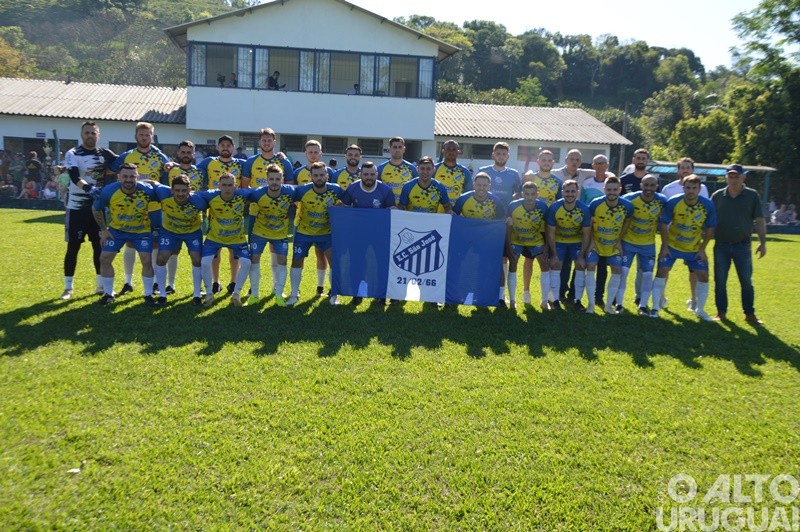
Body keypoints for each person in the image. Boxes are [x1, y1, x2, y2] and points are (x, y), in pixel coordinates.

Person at [109, 122, 170, 297]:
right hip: (131, 208)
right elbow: (112, 169)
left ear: (152, 136)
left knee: (156, 243)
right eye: (141, 134)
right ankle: (128, 282)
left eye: (148, 134)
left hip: (154, 208)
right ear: (136, 136)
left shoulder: (159, 156)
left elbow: (170, 169)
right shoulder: (127, 156)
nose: (144, 137)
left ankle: (157, 282)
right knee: (130, 242)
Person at [61, 121, 117, 300]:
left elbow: (123, 163)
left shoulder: (105, 154)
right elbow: (74, 176)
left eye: (93, 133)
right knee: (73, 247)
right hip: (76, 208)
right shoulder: (73, 153)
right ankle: (68, 288)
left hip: (97, 209)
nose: (90, 136)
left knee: (98, 246)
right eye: (87, 133)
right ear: (81, 134)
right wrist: (88, 189)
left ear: (98, 135)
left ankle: (100, 285)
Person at [650, 175, 716, 320]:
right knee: (661, 271)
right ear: (683, 188)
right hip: (672, 246)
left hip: (693, 248)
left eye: (694, 188)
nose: (691, 191)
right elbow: (663, 225)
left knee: (704, 276)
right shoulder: (674, 202)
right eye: (688, 188)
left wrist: (702, 249)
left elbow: (710, 228)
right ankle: (655, 308)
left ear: (699, 189)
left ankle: (700, 309)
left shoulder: (707, 205)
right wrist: (665, 247)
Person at [92, 163, 157, 306]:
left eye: (132, 176)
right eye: (125, 176)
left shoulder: (147, 190)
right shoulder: (109, 191)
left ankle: (148, 295)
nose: (128, 179)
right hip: (117, 230)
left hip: (141, 231)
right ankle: (109, 294)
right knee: (104, 258)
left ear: (137, 177)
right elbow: (96, 209)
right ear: (118, 177)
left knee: (146, 260)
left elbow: (164, 198)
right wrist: (103, 230)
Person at [711, 164, 767, 324]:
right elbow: (708, 219)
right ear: (726, 177)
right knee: (720, 280)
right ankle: (721, 312)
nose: (733, 179)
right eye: (730, 176)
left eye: (737, 176)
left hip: (742, 246)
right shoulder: (717, 196)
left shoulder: (752, 195)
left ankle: (750, 314)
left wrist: (762, 243)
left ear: (743, 177)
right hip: (721, 245)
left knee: (746, 281)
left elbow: (760, 220)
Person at [242, 128, 294, 295]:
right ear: (259, 142)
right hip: (256, 213)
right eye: (263, 140)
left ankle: (276, 287)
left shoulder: (284, 162)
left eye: (269, 140)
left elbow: (291, 188)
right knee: (255, 252)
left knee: (276, 251)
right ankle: (253, 288)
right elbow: (245, 187)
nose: (266, 143)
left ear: (274, 142)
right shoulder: (251, 161)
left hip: (278, 214)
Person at [287, 162, 346, 306]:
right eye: (316, 175)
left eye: (322, 175)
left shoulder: (336, 190)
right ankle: (294, 294)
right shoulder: (302, 191)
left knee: (334, 262)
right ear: (310, 176)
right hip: (303, 232)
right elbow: (288, 199)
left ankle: (334, 295)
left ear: (327, 175)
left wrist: (338, 206)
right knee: (296, 262)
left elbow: (347, 204)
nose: (319, 178)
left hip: (326, 233)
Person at [194, 173, 255, 307]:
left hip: (237, 239)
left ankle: (236, 294)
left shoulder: (242, 195)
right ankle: (209, 294)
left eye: (230, 185)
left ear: (235, 186)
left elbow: (260, 191)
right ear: (219, 186)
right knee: (204, 263)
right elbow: (192, 194)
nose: (227, 188)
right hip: (214, 238)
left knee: (246, 263)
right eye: (224, 185)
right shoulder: (210, 196)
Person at [341, 161, 395, 304]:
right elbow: (344, 210)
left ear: (377, 174)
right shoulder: (352, 188)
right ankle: (357, 293)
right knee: (357, 263)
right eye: (366, 174)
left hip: (380, 234)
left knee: (382, 264)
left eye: (372, 174)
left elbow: (391, 212)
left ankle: (381, 295)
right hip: (358, 234)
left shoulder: (385, 190)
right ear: (360, 174)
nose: (369, 177)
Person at [660, 157, 709, 311]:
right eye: (682, 167)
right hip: (671, 238)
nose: (685, 170)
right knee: (664, 268)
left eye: (688, 167)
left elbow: (703, 212)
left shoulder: (703, 189)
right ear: (678, 170)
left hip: (692, 239)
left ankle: (694, 300)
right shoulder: (668, 189)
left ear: (692, 170)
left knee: (694, 270)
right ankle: (660, 297)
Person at [453, 172, 509, 307]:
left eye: (485, 185)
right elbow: (454, 217)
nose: (481, 188)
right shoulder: (463, 199)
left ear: (489, 186)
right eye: (479, 185)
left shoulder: (496, 201)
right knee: (457, 265)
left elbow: (502, 222)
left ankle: (498, 297)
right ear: (474, 185)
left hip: (487, 240)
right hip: (466, 239)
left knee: (491, 267)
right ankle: (454, 296)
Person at [197, 135, 244, 295]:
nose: (225, 147)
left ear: (233, 148)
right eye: (222, 145)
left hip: (235, 210)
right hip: (214, 209)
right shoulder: (209, 161)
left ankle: (233, 281)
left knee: (234, 250)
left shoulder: (241, 163)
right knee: (215, 249)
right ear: (218, 147)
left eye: (228, 145)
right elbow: (189, 168)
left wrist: (281, 156)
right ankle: (216, 282)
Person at [150, 174, 205, 306]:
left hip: (192, 232)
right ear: (171, 190)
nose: (180, 194)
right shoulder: (163, 193)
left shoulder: (198, 200)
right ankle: (162, 294)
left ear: (189, 189)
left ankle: (197, 294)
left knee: (197, 259)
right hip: (170, 232)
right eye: (177, 190)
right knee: (161, 258)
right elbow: (152, 182)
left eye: (184, 190)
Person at [581, 176, 633, 314]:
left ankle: (609, 305)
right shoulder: (595, 204)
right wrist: (591, 241)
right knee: (590, 267)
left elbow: (627, 223)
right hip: (596, 244)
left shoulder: (627, 206)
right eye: (609, 189)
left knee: (617, 270)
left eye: (615, 189)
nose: (612, 192)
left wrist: (619, 241)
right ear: (604, 190)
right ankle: (591, 305)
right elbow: (589, 224)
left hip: (613, 245)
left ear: (620, 190)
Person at [247, 163, 296, 306]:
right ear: (267, 179)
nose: (274, 182)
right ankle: (254, 295)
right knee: (254, 259)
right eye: (271, 179)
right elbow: (241, 196)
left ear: (282, 179)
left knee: (282, 261)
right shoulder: (257, 193)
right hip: (259, 232)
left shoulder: (290, 192)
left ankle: (279, 294)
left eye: (277, 179)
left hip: (280, 234)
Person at [292, 140, 336, 297]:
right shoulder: (298, 174)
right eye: (310, 152)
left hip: (325, 229)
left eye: (316, 152)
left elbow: (346, 201)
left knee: (326, 257)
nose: (313, 154)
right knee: (297, 260)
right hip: (303, 226)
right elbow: (288, 195)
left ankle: (326, 290)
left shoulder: (334, 187)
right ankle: (294, 292)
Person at [620, 174, 668, 315]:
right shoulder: (629, 199)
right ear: (641, 185)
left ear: (657, 187)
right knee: (623, 272)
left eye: (652, 186)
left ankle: (642, 305)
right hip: (628, 242)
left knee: (647, 275)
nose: (649, 188)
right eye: (646, 185)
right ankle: (619, 304)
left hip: (648, 244)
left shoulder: (662, 201)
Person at [546, 180, 592, 311]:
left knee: (580, 266)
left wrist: (582, 256)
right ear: (562, 193)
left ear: (577, 193)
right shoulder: (555, 208)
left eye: (573, 191)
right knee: (555, 265)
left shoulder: (584, 209)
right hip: (559, 242)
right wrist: (554, 255)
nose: (570, 194)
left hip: (576, 243)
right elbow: (551, 233)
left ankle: (577, 301)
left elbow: (587, 235)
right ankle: (555, 300)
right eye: (567, 191)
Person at [507, 181, 550, 310]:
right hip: (517, 241)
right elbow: (508, 226)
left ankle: (544, 300)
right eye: (526, 194)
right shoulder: (513, 206)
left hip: (535, 241)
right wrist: (509, 246)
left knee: (544, 265)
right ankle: (513, 300)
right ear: (522, 194)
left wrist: (546, 246)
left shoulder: (542, 207)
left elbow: (548, 228)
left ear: (537, 194)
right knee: (513, 265)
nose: (529, 197)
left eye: (532, 194)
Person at [433, 140, 473, 211]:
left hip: (456, 214)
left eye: (454, 149)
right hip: (436, 213)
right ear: (443, 151)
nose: (451, 152)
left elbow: (469, 194)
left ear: (458, 152)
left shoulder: (465, 172)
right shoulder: (434, 169)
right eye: (448, 149)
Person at [378, 136, 418, 205]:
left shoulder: (412, 168)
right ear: (390, 149)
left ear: (404, 149)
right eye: (394, 147)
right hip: (386, 208)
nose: (397, 150)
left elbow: (416, 188)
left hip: (405, 209)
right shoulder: (381, 168)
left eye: (400, 147)